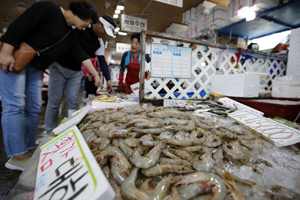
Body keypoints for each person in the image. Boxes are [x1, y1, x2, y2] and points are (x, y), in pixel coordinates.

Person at [0, 1, 101, 171]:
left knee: (34, 107)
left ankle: (30, 148)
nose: (87, 26)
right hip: (15, 59)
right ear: (83, 15)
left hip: (34, 68)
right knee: (15, 105)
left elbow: (81, 56)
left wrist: (96, 74)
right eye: (88, 22)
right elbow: (19, 26)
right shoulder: (48, 9)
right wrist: (6, 52)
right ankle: (17, 156)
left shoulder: (70, 34)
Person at [44, 15, 116, 134]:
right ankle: (49, 131)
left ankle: (69, 130)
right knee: (54, 101)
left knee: (72, 102)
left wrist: (108, 79)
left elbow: (102, 61)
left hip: (76, 71)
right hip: (59, 67)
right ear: (98, 23)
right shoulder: (79, 28)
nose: (106, 34)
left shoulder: (99, 42)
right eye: (105, 31)